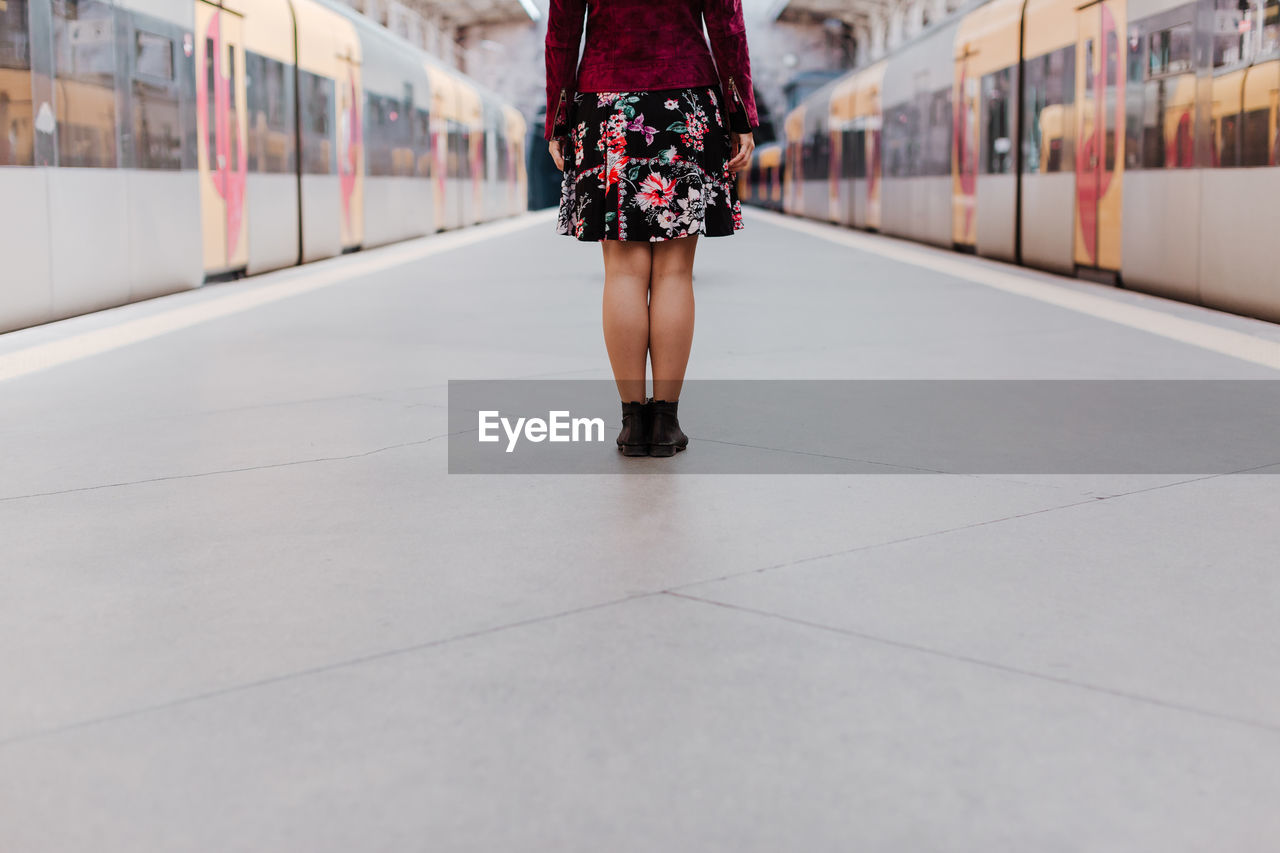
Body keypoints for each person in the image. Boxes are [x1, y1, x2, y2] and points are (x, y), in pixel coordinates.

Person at [545, 0, 760, 457]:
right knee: (674, 273)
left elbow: (562, 32)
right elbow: (727, 27)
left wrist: (559, 118)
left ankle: (631, 423)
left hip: (605, 104)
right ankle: (664, 423)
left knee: (622, 271)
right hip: (686, 100)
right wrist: (741, 113)